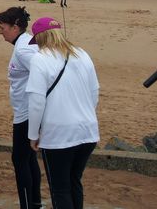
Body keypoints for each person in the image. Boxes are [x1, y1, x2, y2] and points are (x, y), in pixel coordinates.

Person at [26, 18, 99, 209]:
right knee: (74, 181)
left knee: (60, 188)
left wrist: (33, 134)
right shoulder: (81, 53)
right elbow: (94, 92)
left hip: (59, 133)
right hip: (87, 130)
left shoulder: (40, 58)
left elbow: (36, 102)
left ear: (40, 38)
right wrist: (85, 114)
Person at [0, 7, 42, 209]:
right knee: (29, 159)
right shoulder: (27, 42)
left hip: (27, 113)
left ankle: (28, 204)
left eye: (2, 28)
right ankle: (35, 202)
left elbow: (45, 73)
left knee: (20, 159)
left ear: (15, 27)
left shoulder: (23, 50)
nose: (0, 32)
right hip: (27, 111)